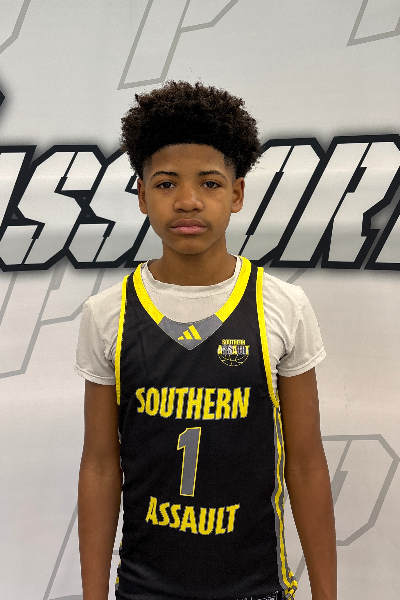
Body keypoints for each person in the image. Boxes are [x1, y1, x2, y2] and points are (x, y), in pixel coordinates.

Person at [76, 80, 337, 600]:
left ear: (236, 194)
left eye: (210, 183)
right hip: (145, 588)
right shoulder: (107, 313)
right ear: (142, 195)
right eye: (166, 183)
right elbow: (101, 465)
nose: (188, 201)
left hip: (256, 587)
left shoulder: (282, 305)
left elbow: (306, 463)